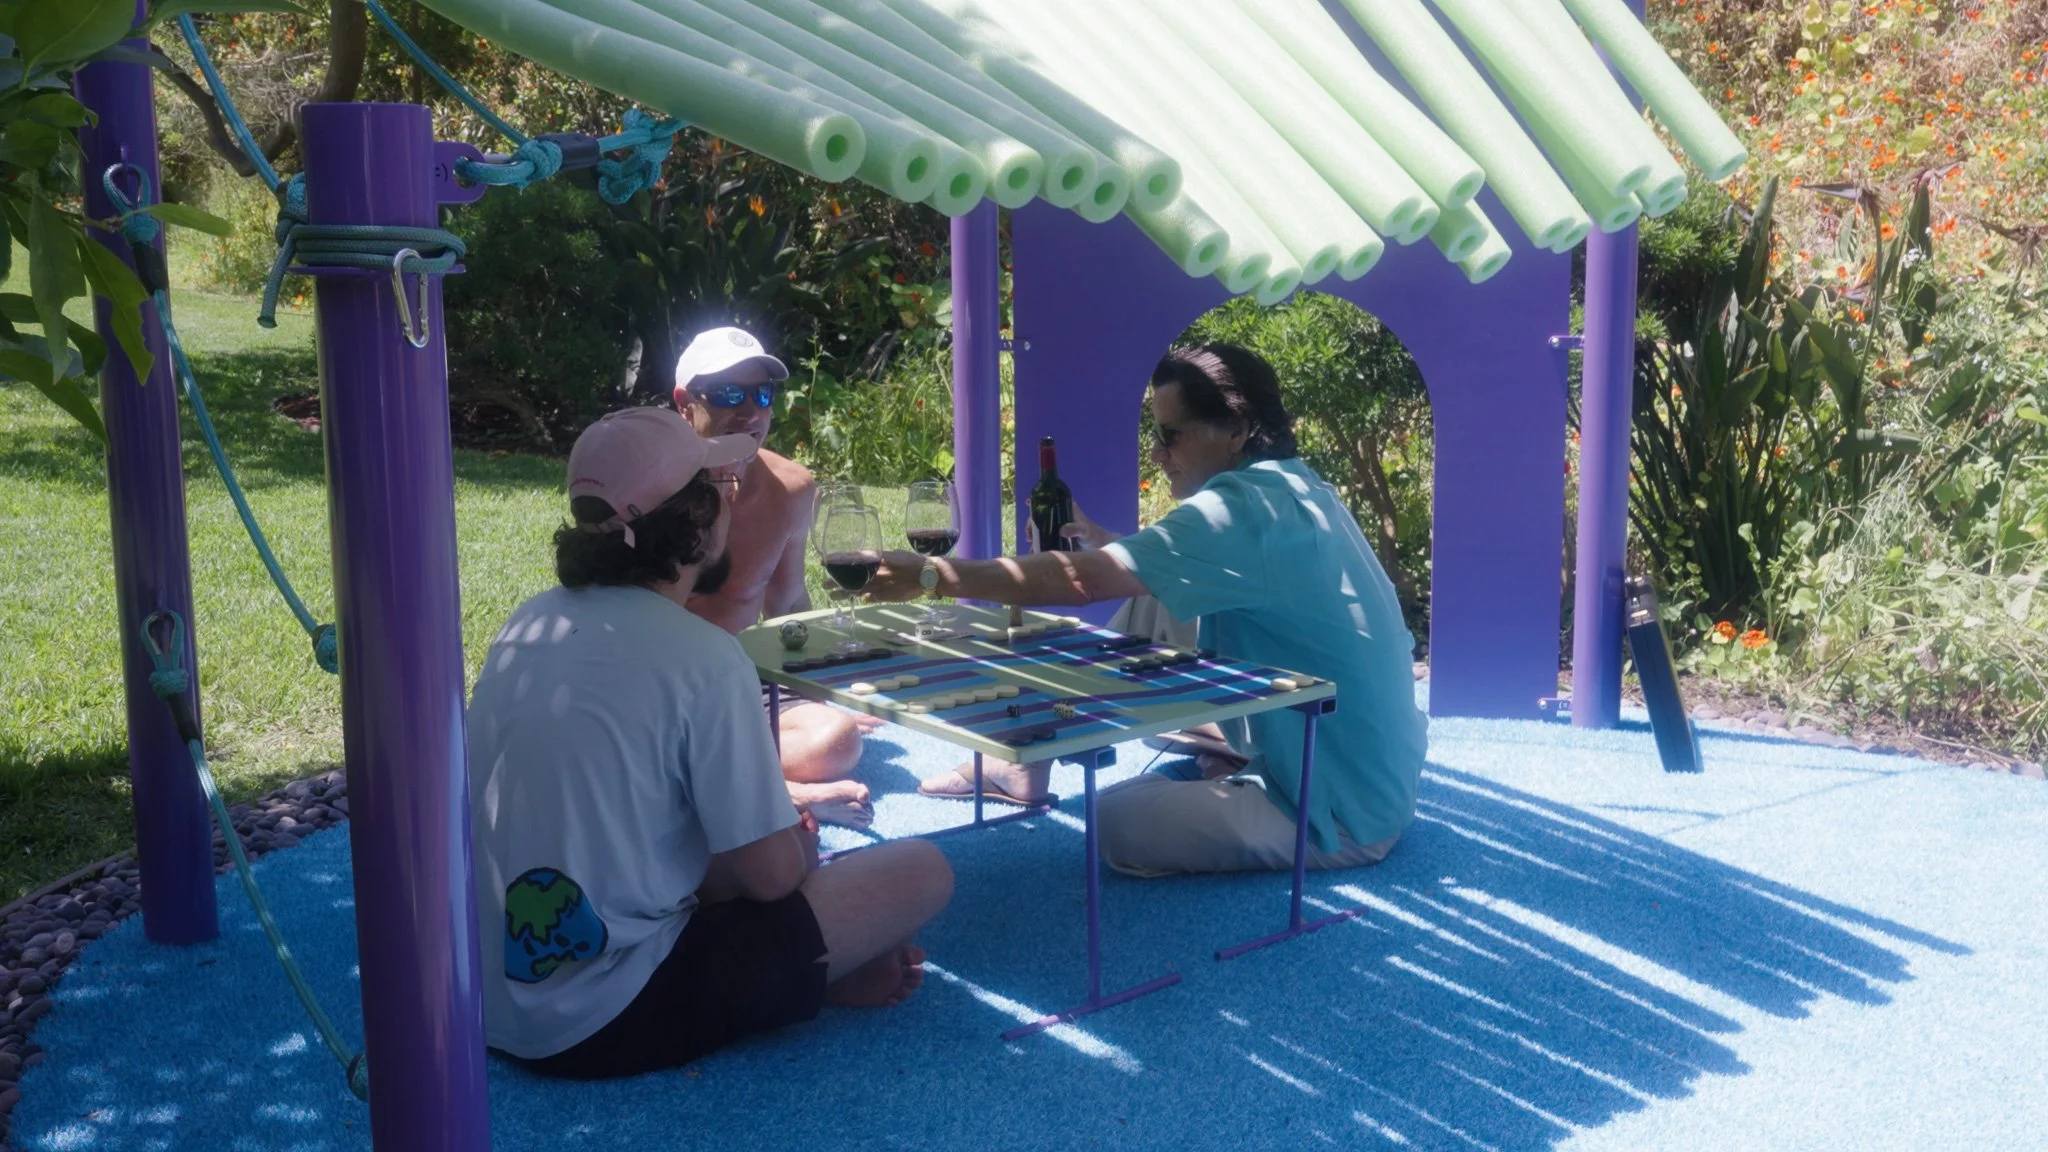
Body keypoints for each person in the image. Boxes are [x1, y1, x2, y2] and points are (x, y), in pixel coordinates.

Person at [468, 407, 953, 1078]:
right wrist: (794, 843)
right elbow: (773, 877)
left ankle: (815, 976)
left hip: (487, 999)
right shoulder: (702, 656)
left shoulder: (528, 622)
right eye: (723, 486)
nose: (735, 499)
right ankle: (810, 980)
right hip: (608, 1016)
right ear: (694, 523)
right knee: (921, 870)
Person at [864, 343, 1428, 878]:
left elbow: (1080, 583)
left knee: (1114, 819)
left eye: (1169, 435)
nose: (1157, 453)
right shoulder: (1292, 490)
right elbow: (1150, 570)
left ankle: (1094, 753)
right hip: (1366, 769)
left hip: (1338, 813)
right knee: (1153, 599)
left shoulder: (1243, 508)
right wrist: (1106, 542)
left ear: (1236, 429)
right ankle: (1029, 758)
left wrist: (930, 575)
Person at [673, 326, 881, 829]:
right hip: (668, 686)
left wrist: (830, 687)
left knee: (838, 738)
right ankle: (780, 793)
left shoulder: (791, 488)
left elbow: (788, 605)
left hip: (749, 680)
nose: (749, 411)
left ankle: (746, 778)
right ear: (684, 403)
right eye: (727, 393)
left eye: (761, 394)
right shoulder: (655, 488)